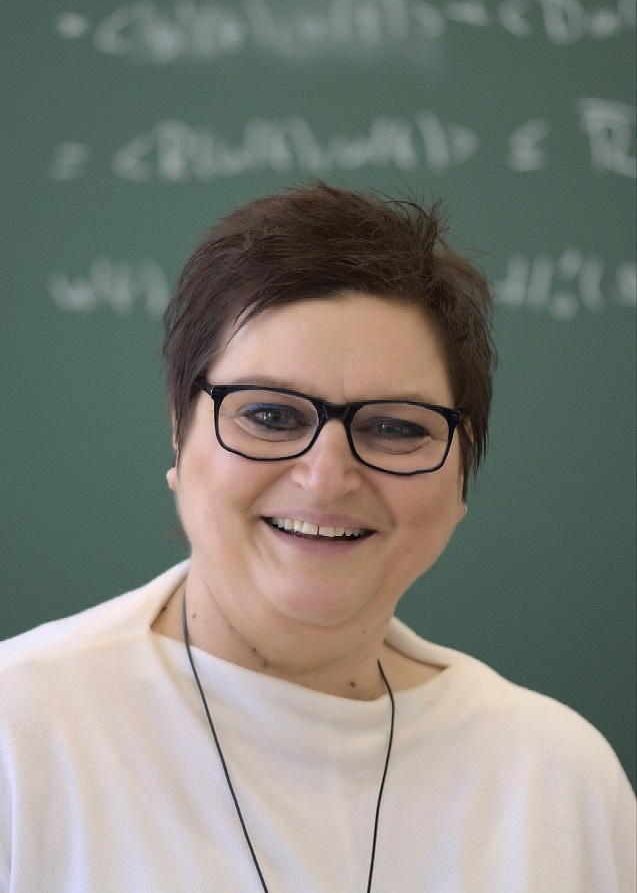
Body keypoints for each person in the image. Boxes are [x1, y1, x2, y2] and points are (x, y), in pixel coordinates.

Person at [0, 183, 634, 892]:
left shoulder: (560, 782)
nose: (327, 477)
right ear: (179, 434)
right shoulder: (20, 740)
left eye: (395, 427)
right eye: (270, 415)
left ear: (462, 473)